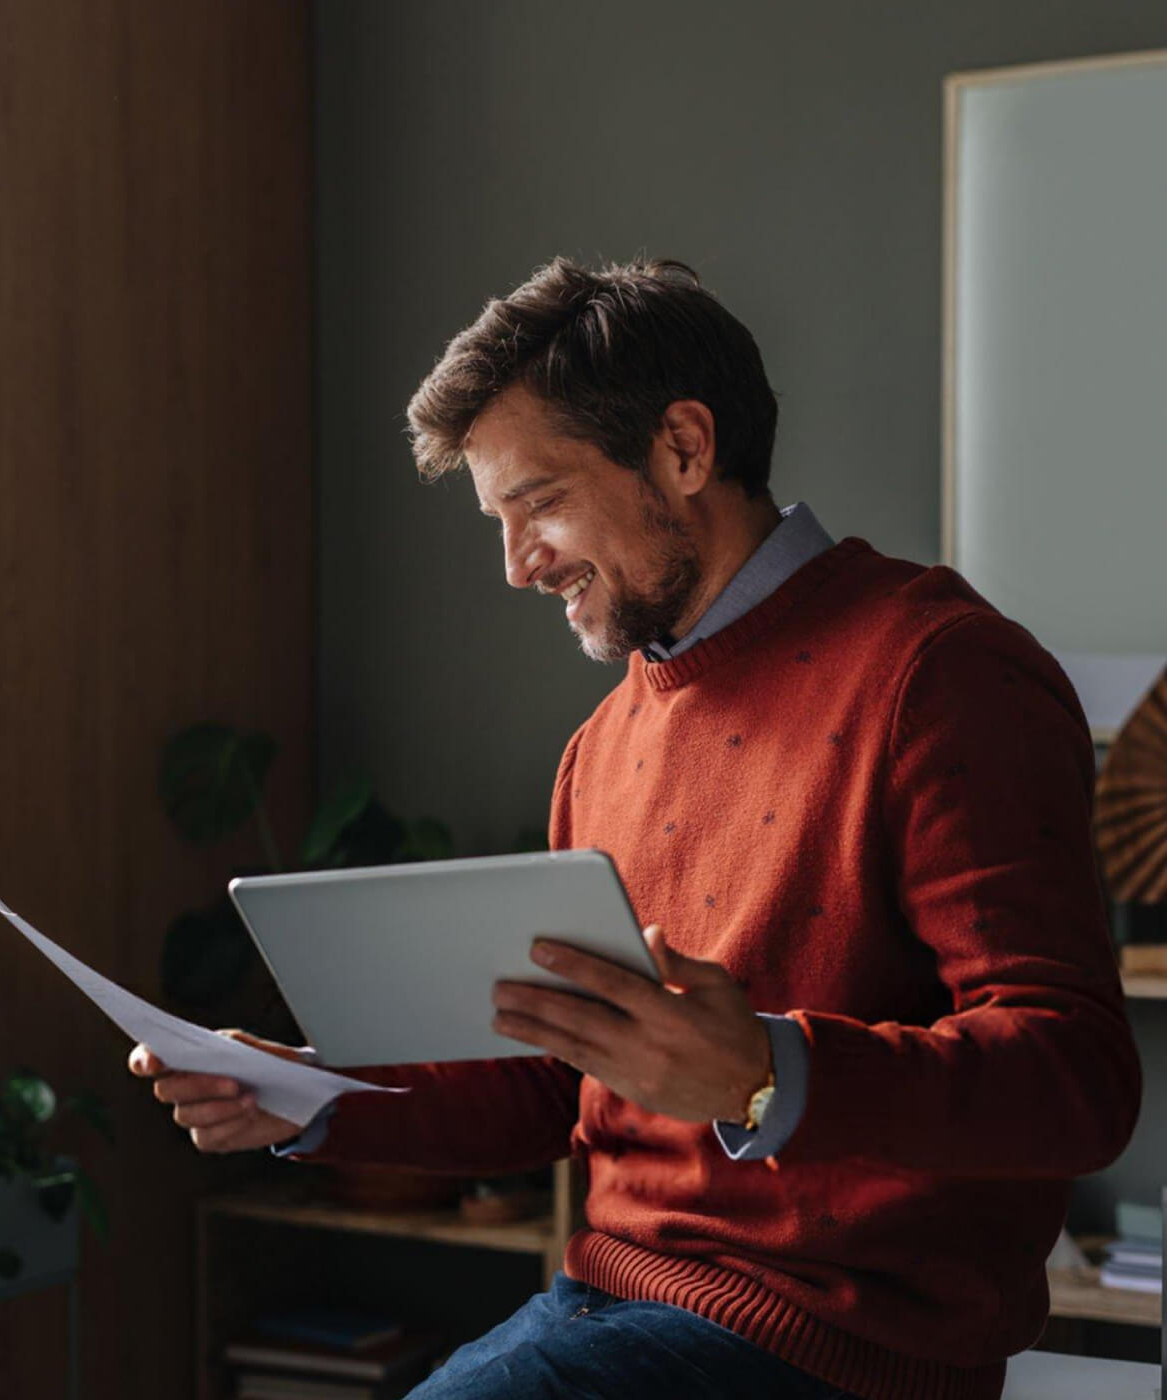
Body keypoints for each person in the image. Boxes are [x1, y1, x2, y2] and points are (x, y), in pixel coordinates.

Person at [129, 257, 1141, 1400]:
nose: (516, 566)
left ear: (683, 448)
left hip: (837, 1351)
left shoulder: (938, 672)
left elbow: (1076, 1077)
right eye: (497, 522)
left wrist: (767, 1070)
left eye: (539, 503)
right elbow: (556, 1087)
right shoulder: (603, 744)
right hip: (608, 1301)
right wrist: (308, 1100)